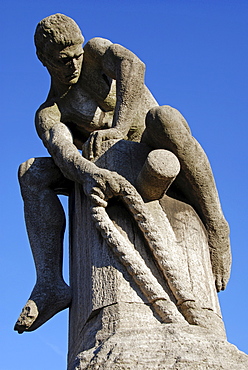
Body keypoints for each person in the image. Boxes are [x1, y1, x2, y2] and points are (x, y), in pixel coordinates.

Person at [14, 13, 231, 334]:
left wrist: (118, 127)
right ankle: (49, 283)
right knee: (31, 173)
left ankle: (217, 224)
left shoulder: (97, 52)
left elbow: (133, 66)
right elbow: (63, 153)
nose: (74, 65)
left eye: (76, 56)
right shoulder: (50, 111)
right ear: (43, 59)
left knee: (167, 117)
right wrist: (89, 173)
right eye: (63, 61)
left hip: (149, 142)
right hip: (100, 169)